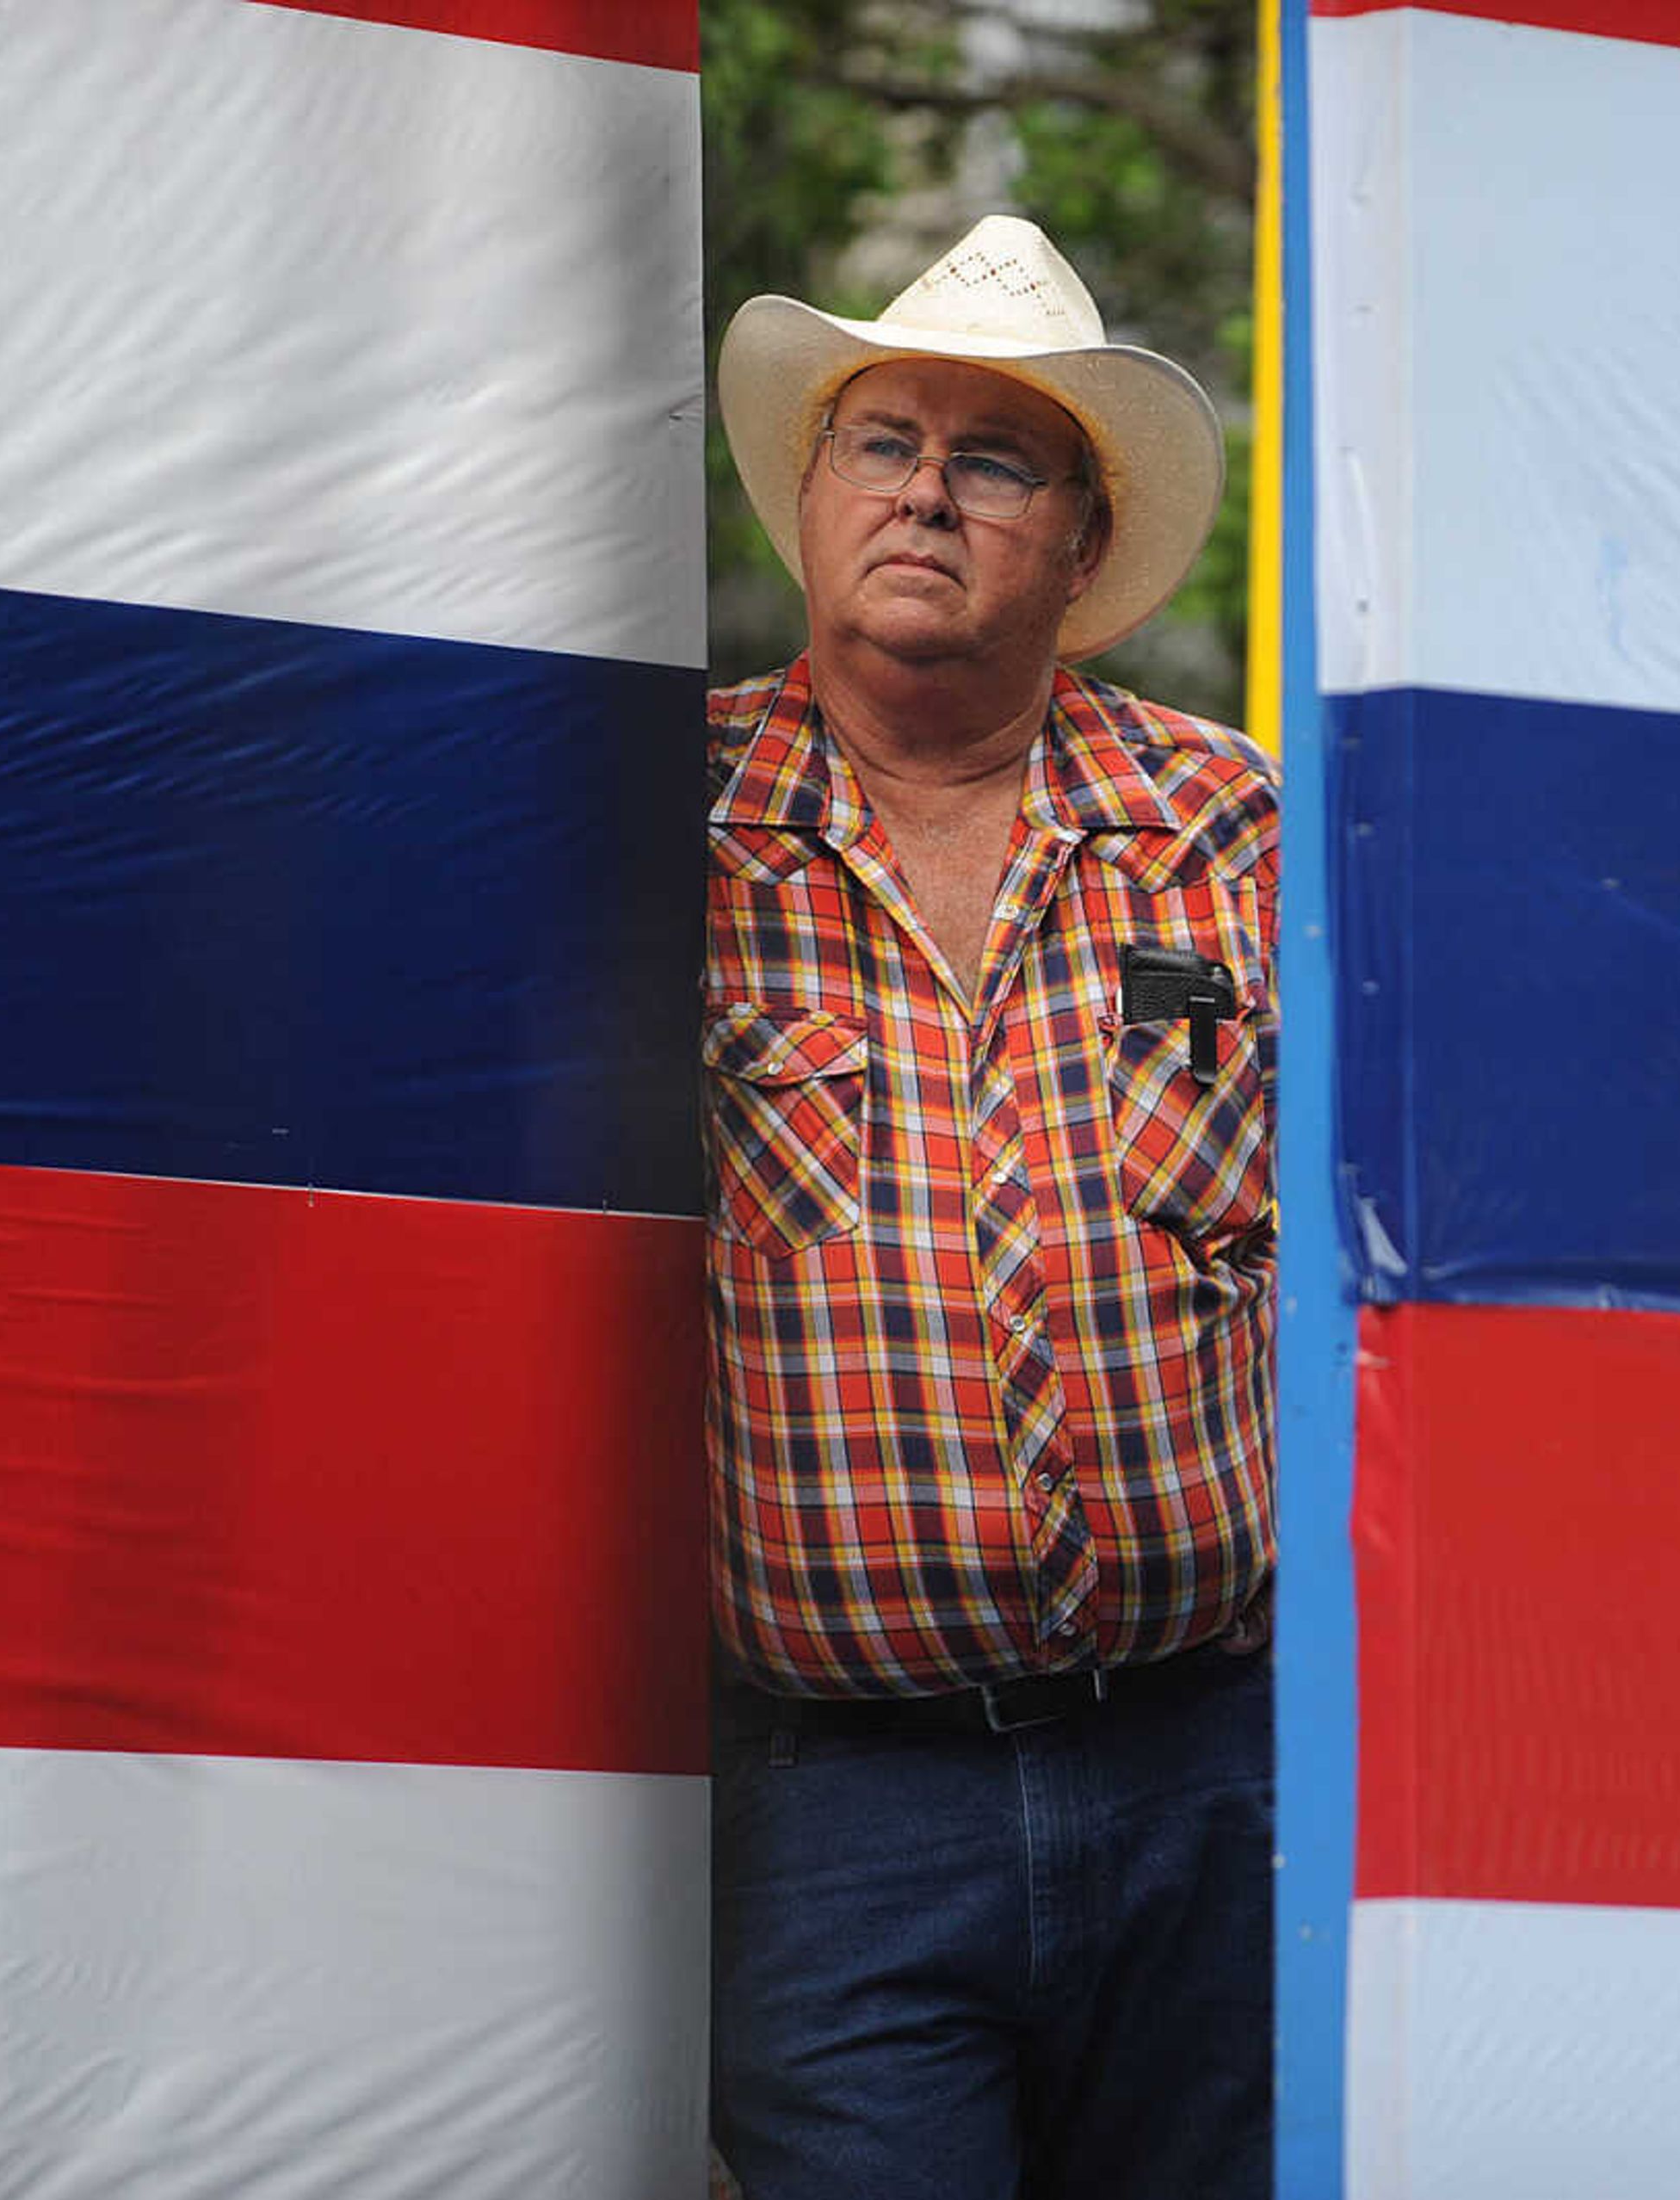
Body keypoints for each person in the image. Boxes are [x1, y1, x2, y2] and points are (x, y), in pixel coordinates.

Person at [701, 214, 1275, 2200]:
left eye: (996, 456)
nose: (926, 491)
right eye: (882, 441)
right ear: (809, 495)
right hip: (836, 1808)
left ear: (1089, 548)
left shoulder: (1235, 829)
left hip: (1224, 1771)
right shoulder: (658, 833)